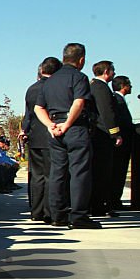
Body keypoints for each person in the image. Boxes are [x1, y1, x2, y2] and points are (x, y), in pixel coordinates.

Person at [34, 42, 98, 229]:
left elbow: (39, 107)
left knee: (57, 172)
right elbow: (79, 102)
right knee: (79, 172)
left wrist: (50, 126)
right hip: (74, 127)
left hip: (55, 129)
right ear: (82, 59)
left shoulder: (49, 81)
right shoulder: (79, 77)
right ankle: (78, 216)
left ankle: (57, 215)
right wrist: (68, 124)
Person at [22, 57, 62, 221]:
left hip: (34, 136)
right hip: (49, 134)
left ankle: (36, 211)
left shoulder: (31, 88)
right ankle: (48, 212)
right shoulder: (53, 87)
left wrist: (25, 130)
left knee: (37, 176)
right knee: (50, 175)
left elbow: (28, 114)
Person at [89, 60, 121, 217]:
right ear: (106, 71)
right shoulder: (100, 87)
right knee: (102, 171)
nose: (114, 74)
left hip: (98, 134)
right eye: (112, 70)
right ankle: (99, 205)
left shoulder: (95, 85)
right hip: (102, 135)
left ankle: (98, 203)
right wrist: (115, 133)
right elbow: (107, 112)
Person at [109, 74, 134, 209]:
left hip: (125, 141)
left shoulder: (120, 100)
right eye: (129, 84)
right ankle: (113, 200)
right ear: (123, 86)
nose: (131, 87)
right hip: (119, 143)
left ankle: (115, 199)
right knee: (117, 172)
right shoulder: (117, 100)